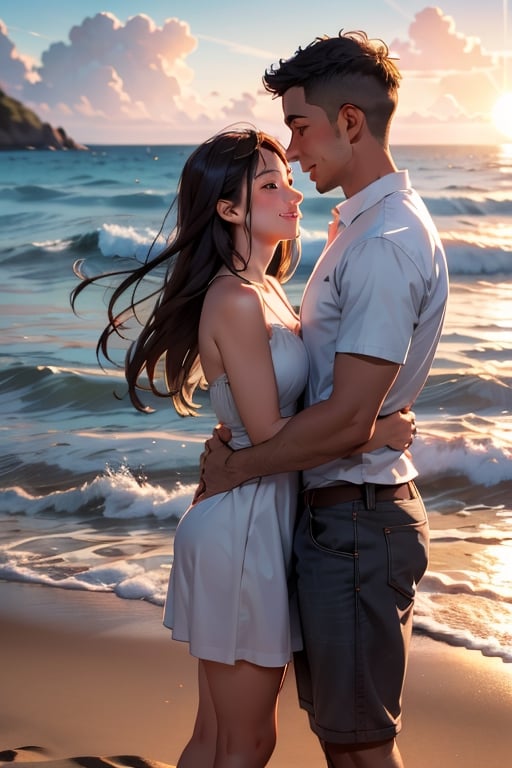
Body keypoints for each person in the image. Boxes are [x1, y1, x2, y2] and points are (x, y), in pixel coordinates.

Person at [71, 126, 414, 768]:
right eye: (269, 185)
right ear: (228, 209)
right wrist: (372, 427)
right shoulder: (234, 299)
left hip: (252, 519)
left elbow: (262, 418)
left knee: (217, 738)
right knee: (248, 741)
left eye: (287, 177)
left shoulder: (265, 290)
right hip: (245, 529)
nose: (292, 194)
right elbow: (270, 435)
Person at [197, 32, 449, 768]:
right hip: (333, 522)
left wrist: (242, 466)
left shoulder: (383, 244)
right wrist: (239, 438)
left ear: (349, 122)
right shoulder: (355, 228)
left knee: (362, 748)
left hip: (359, 526)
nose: (292, 149)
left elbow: (346, 418)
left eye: (300, 127)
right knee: (344, 741)